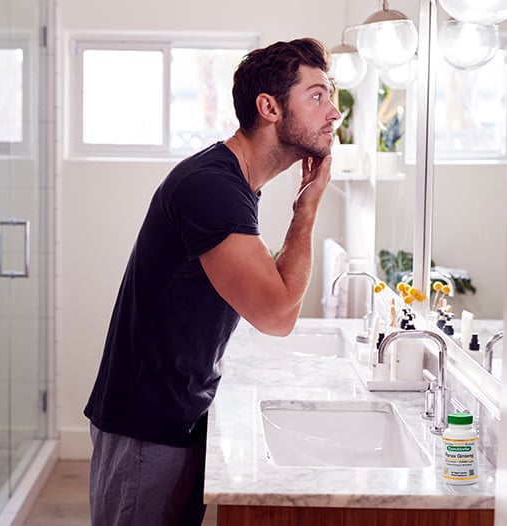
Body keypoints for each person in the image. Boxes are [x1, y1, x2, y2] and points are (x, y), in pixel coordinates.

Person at [84, 37, 341, 525]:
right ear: (269, 107)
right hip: (148, 426)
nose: (333, 113)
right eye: (317, 95)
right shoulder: (212, 187)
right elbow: (278, 314)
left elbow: (267, 296)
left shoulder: (236, 184)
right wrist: (307, 209)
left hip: (174, 414)